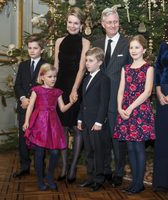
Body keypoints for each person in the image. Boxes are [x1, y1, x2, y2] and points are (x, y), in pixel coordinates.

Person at [93, 7, 131, 186]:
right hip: (99, 100)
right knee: (103, 138)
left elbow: (131, 75)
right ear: (103, 24)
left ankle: (119, 171)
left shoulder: (127, 44)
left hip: (118, 100)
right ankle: (106, 169)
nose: (113, 25)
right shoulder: (97, 43)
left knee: (117, 139)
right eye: (109, 22)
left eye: (115, 21)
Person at [113, 35, 155, 194]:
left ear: (143, 49)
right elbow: (121, 90)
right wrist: (119, 107)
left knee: (138, 148)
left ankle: (139, 183)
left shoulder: (148, 68)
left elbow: (147, 92)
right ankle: (134, 183)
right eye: (131, 47)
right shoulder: (126, 68)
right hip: (125, 111)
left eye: (137, 47)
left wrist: (130, 108)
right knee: (130, 147)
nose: (134, 50)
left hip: (139, 112)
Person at [23, 63, 75, 190]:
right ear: (42, 77)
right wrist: (26, 121)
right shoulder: (37, 90)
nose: (53, 79)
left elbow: (62, 109)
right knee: (39, 153)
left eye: (55, 77)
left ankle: (50, 176)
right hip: (39, 123)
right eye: (50, 76)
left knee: (55, 152)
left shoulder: (57, 92)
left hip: (52, 124)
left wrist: (71, 102)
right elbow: (30, 107)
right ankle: (40, 180)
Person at [54, 7, 90, 183]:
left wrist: (75, 89)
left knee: (76, 128)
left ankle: (73, 166)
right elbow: (56, 67)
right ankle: (64, 165)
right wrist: (53, 90)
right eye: (70, 22)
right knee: (62, 128)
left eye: (76, 23)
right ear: (66, 23)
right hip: (60, 87)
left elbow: (82, 68)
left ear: (81, 25)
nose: (72, 25)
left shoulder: (85, 43)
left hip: (75, 87)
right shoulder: (59, 41)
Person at [13, 33, 46, 178]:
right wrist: (22, 98)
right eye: (30, 48)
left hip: (38, 108)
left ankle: (40, 167)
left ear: (41, 50)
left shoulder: (45, 66)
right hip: (23, 107)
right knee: (23, 138)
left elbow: (47, 87)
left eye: (35, 48)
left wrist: (32, 101)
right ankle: (24, 166)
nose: (32, 51)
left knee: (38, 138)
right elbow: (17, 85)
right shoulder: (23, 65)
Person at [77, 47, 110, 192]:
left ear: (100, 62)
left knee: (98, 151)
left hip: (96, 123)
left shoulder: (104, 79)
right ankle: (90, 177)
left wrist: (99, 122)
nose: (87, 63)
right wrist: (79, 119)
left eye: (90, 61)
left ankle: (98, 179)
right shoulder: (86, 79)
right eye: (86, 60)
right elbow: (83, 102)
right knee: (89, 151)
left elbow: (104, 102)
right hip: (86, 121)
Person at [152, 9, 168, 196]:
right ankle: (162, 182)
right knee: (164, 137)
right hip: (162, 96)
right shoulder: (164, 46)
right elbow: (158, 69)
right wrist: (159, 92)